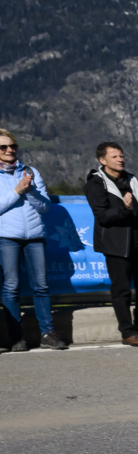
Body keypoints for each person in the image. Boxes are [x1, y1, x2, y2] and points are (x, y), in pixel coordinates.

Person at [85, 142, 138, 347]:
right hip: (116, 244)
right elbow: (101, 216)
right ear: (102, 160)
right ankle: (128, 331)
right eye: (114, 157)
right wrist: (125, 208)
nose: (120, 159)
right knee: (122, 290)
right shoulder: (95, 183)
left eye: (121, 156)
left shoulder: (132, 179)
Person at [0, 131, 65, 351]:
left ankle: (48, 334)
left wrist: (29, 192)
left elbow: (45, 207)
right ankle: (17, 337)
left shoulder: (31, 171)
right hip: (6, 237)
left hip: (35, 236)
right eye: (3, 147)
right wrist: (17, 190)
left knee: (42, 286)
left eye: (13, 146)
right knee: (11, 287)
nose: (10, 150)